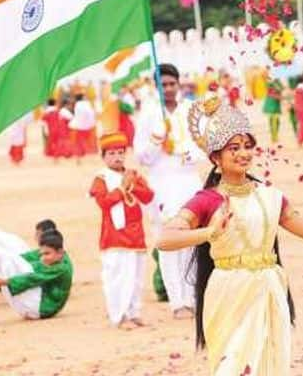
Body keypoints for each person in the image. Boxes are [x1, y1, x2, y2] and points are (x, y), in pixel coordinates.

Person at [157, 97, 303, 375]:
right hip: (228, 291)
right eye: (234, 148)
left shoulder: (270, 196)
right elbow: (165, 239)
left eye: (248, 147)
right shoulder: (208, 200)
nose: (244, 154)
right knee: (234, 365)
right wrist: (209, 232)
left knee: (267, 363)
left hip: (269, 287)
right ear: (216, 158)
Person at [134, 64, 205, 319]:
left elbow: (205, 146)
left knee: (192, 241)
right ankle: (178, 302)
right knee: (167, 243)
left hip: (188, 182)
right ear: (156, 88)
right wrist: (156, 140)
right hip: (161, 185)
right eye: (162, 85)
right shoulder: (148, 115)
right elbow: (142, 157)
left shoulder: (192, 110)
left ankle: (194, 297)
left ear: (179, 84)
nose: (168, 89)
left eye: (171, 84)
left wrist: (184, 152)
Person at [90, 133, 154, 328]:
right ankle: (119, 315)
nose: (117, 157)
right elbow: (104, 202)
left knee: (136, 277)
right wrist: (122, 187)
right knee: (118, 277)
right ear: (103, 156)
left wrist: (131, 185)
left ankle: (134, 312)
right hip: (115, 237)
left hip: (136, 235)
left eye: (120, 152)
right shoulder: (101, 179)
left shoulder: (132, 175)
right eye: (112, 153)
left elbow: (148, 197)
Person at [0, 214, 73, 320]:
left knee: (6, 259)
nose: (43, 258)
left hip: (38, 309)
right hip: (29, 304)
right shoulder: (56, 255)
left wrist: (0, 281)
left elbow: (31, 279)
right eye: (42, 254)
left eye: (47, 254)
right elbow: (26, 258)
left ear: (60, 252)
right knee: (7, 256)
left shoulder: (62, 268)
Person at [69, 94, 97, 164]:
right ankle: (84, 156)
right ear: (82, 98)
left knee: (78, 143)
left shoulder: (77, 105)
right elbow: (91, 114)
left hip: (78, 127)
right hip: (87, 126)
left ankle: (78, 158)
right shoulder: (86, 104)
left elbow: (77, 115)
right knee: (87, 141)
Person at [263, 78, 285, 144]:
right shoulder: (270, 83)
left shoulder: (278, 83)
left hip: (276, 104)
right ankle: (274, 137)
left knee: (276, 121)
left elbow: (281, 89)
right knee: (273, 121)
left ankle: (274, 136)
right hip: (271, 104)